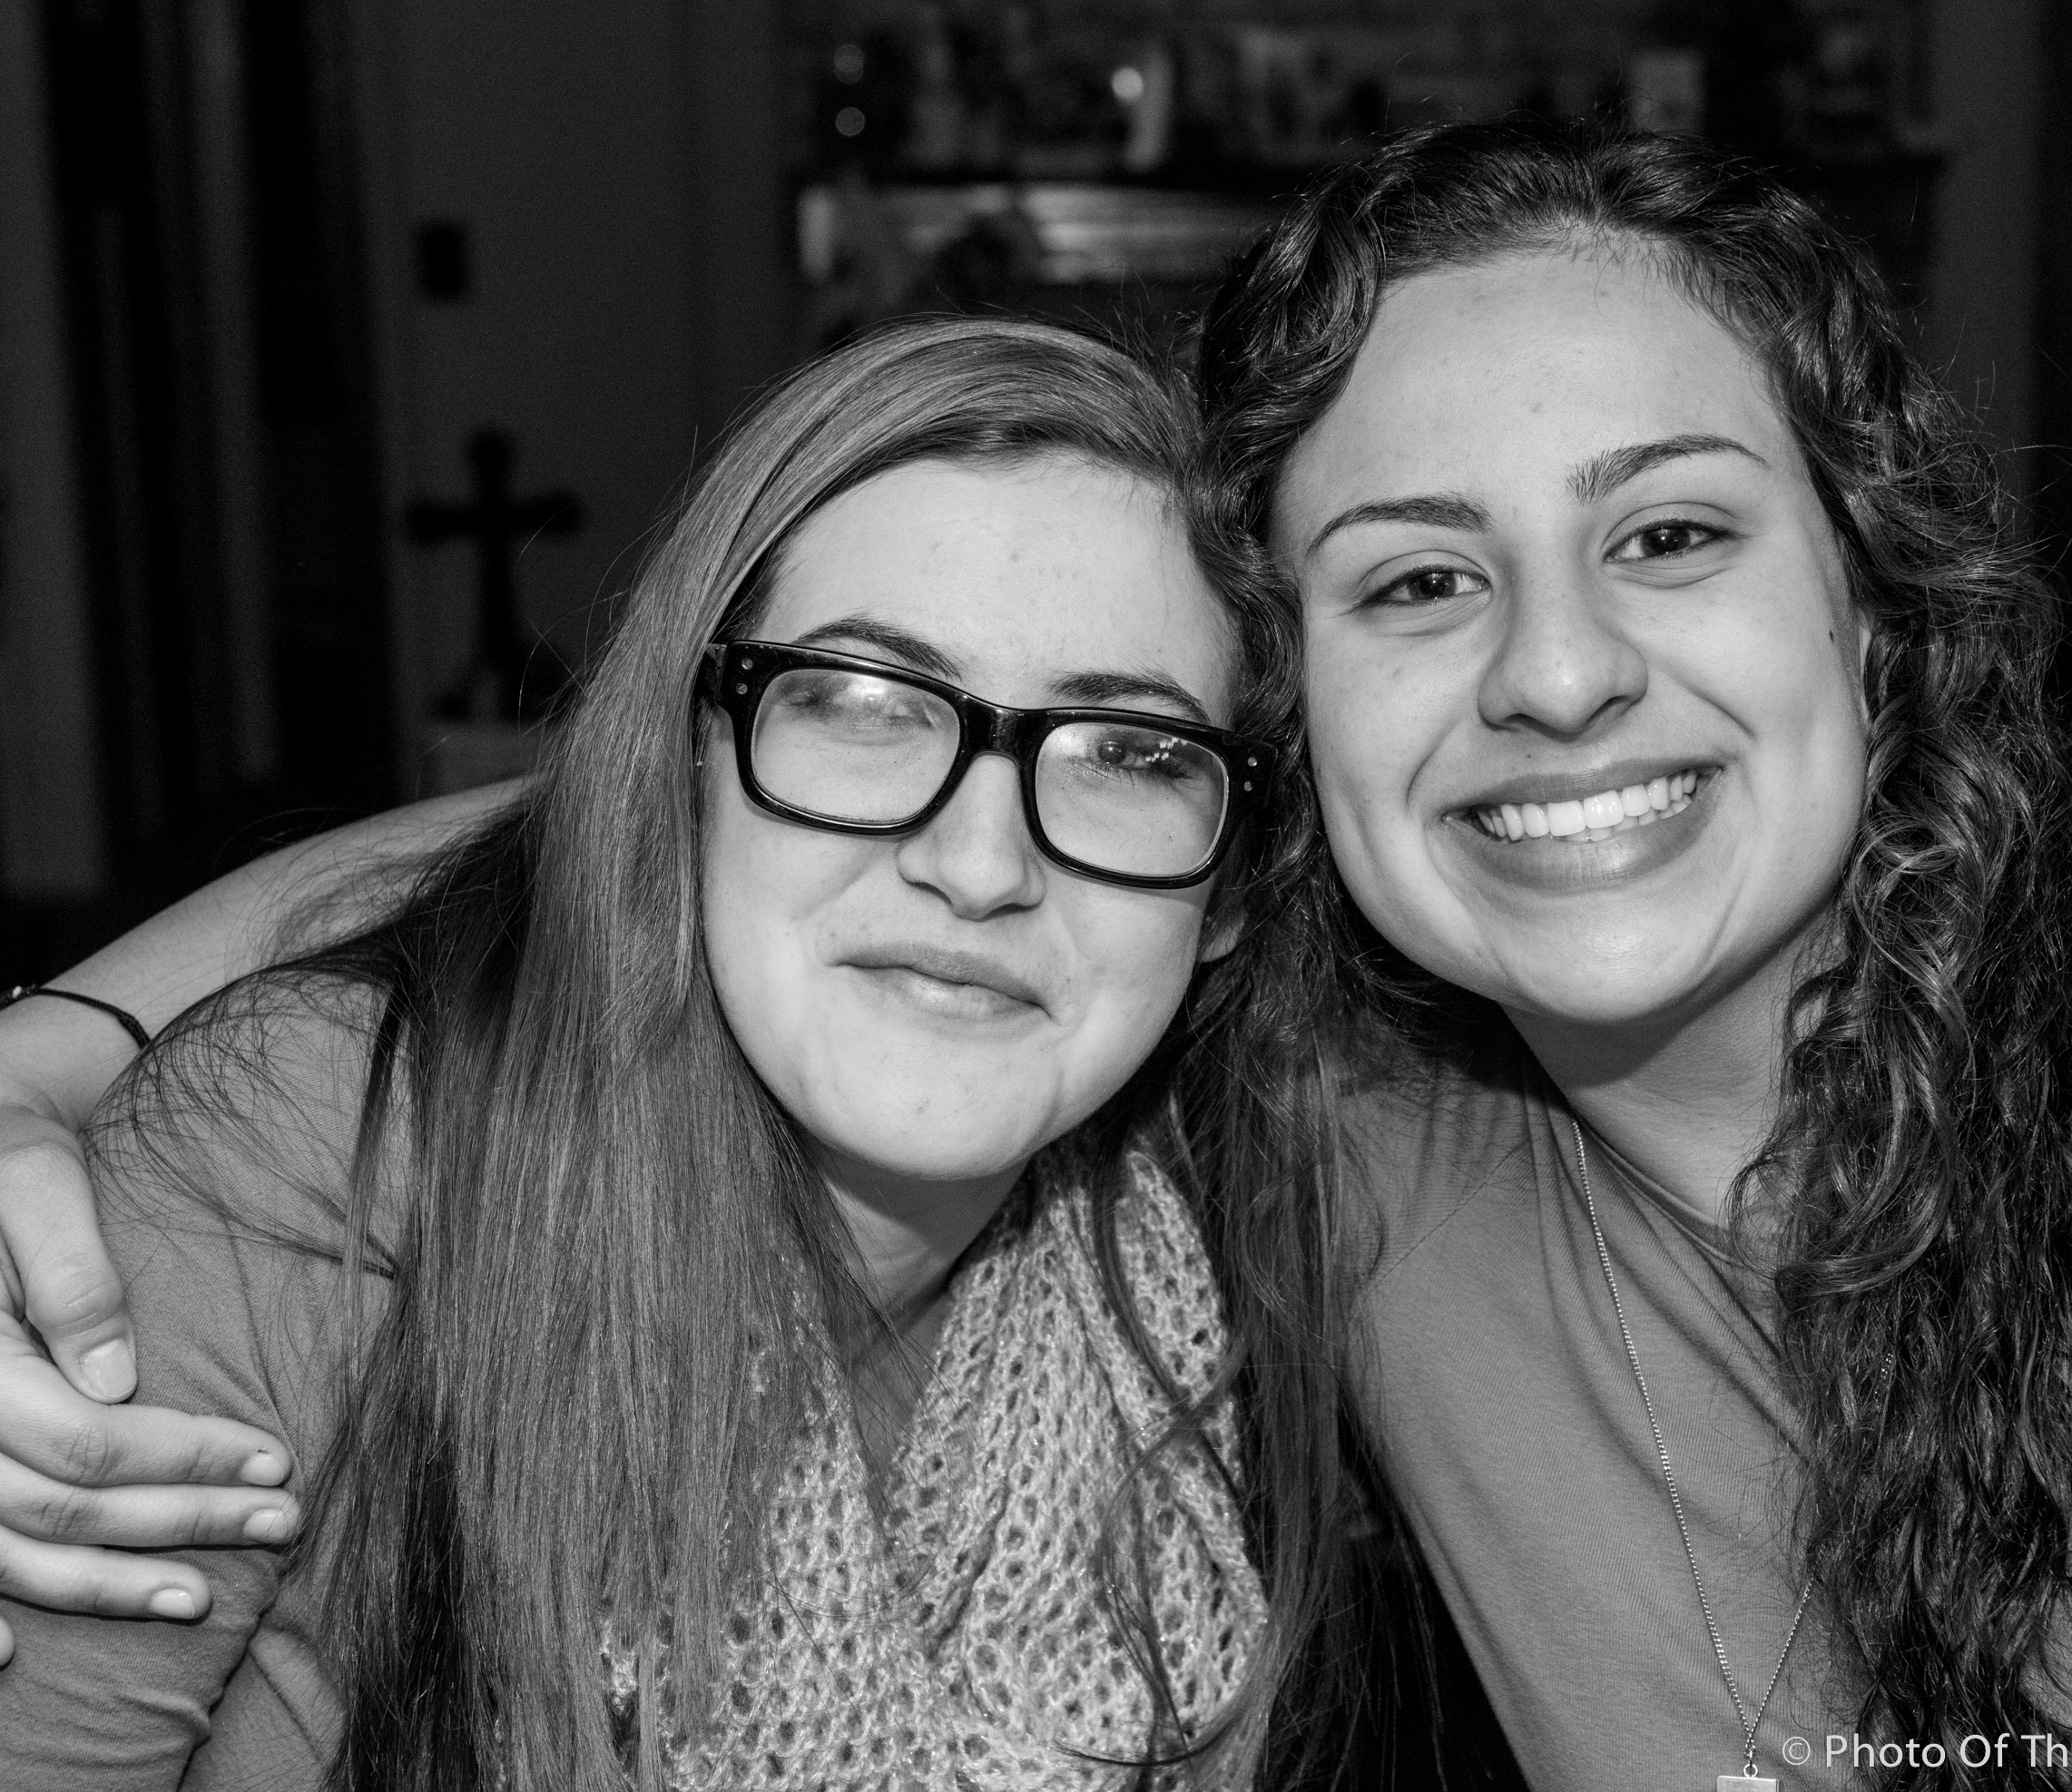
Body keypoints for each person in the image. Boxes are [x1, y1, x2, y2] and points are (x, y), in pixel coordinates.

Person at [6, 120, 2072, 1788]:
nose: (1560, 672)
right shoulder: (1345, 1094)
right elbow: (672, 825)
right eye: (1419, 581)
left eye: (1674, 534)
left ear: (1882, 608)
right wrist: (65, 1035)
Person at [0, 313, 1359, 1787]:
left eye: (1132, 754)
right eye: (860, 704)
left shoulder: (1221, 1248)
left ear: (1233, 888)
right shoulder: (320, 1166)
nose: (979, 866)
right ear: (686, 757)